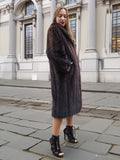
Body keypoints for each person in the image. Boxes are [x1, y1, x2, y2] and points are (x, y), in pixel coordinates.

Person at [46, 6, 82, 158]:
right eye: (60, 16)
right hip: (62, 77)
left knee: (71, 105)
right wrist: (67, 66)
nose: (62, 19)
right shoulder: (54, 30)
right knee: (60, 109)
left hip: (71, 77)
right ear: (55, 16)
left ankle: (68, 129)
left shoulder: (66, 31)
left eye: (65, 16)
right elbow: (52, 53)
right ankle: (54, 140)